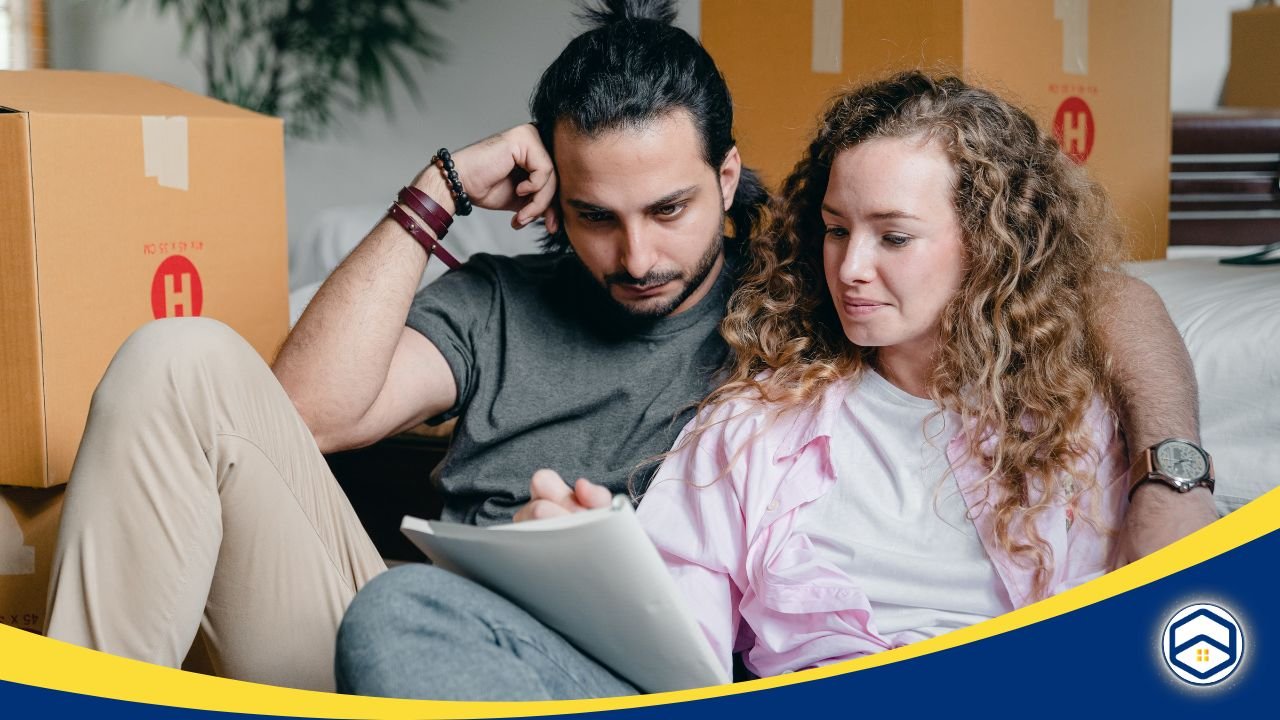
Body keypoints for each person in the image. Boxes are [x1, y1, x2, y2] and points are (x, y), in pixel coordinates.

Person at [45, 0, 1210, 695]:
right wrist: (439, 191)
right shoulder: (510, 300)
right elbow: (298, 416)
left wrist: (1170, 469)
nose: (637, 254)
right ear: (552, 202)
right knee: (180, 359)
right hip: (444, 638)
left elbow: (1087, 296)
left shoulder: (808, 283)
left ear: (728, 177)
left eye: (668, 212)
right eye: (595, 217)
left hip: (619, 672)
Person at [636, 71, 1139, 679]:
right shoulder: (749, 429)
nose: (851, 267)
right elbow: (670, 643)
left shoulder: (1071, 425)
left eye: (894, 237)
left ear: (990, 244)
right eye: (838, 229)